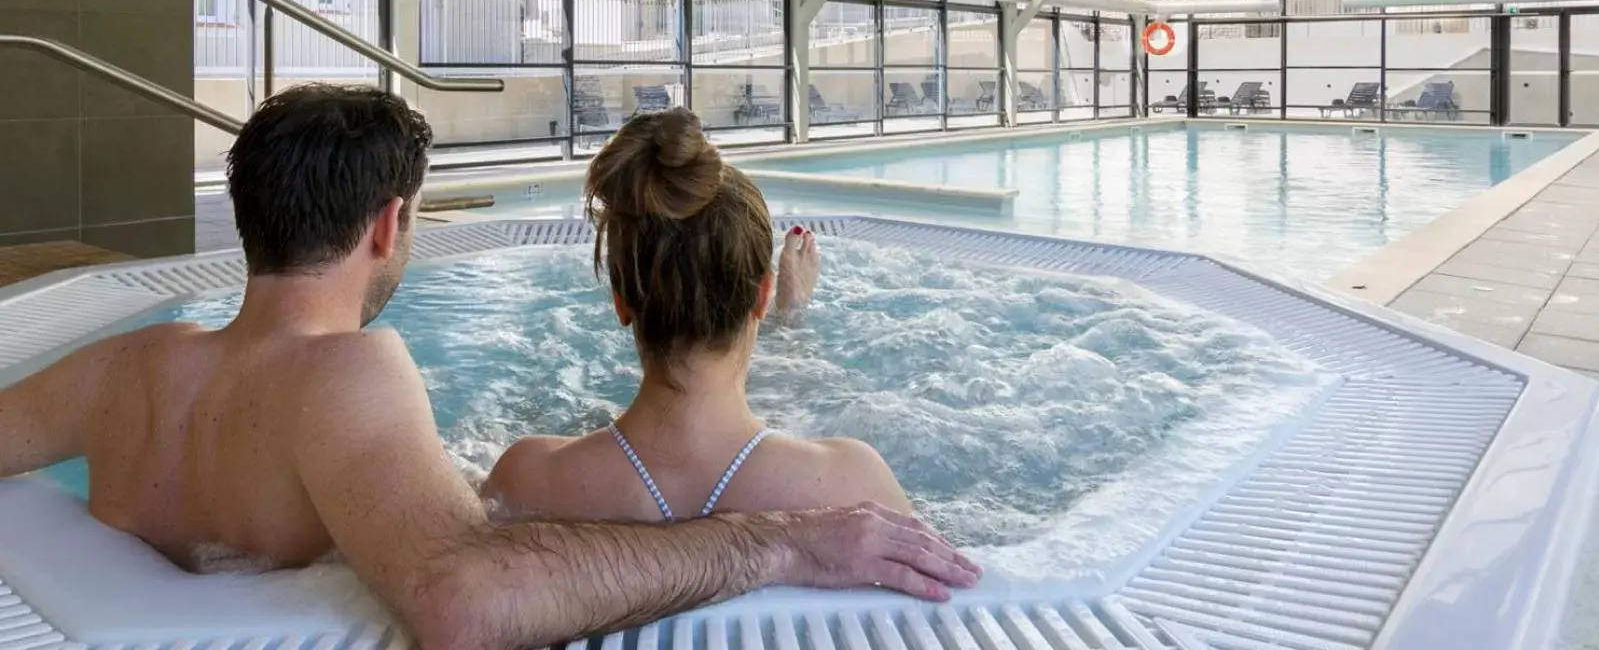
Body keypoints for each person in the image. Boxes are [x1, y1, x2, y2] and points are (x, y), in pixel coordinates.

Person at [0, 85, 978, 650]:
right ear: (389, 226)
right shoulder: (351, 372)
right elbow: (462, 602)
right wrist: (778, 544)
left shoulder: (124, 367)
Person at [484, 108, 910, 523]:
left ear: (620, 301)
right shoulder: (855, 484)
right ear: (761, 295)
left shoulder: (525, 479)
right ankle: (791, 318)